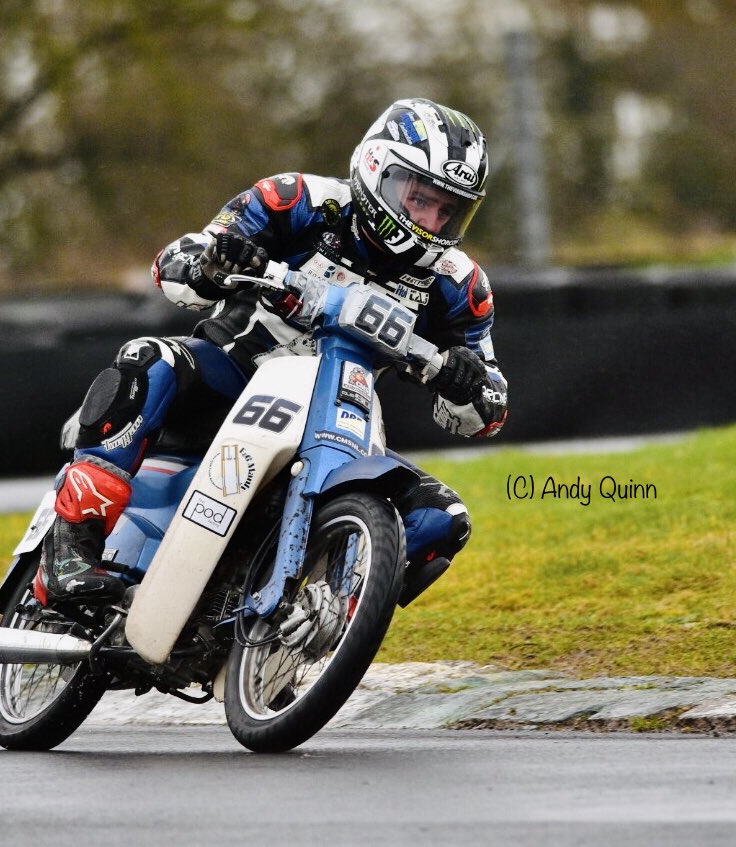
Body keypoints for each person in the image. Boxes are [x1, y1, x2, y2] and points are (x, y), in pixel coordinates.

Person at [36, 98, 509, 613]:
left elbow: (487, 411)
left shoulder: (461, 284)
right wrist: (216, 261)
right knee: (150, 360)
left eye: (449, 209)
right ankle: (70, 550)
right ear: (379, 171)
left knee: (443, 518)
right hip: (231, 376)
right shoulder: (299, 200)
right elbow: (176, 263)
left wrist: (468, 383)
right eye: (421, 198)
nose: (432, 219)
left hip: (338, 421)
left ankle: (319, 629)